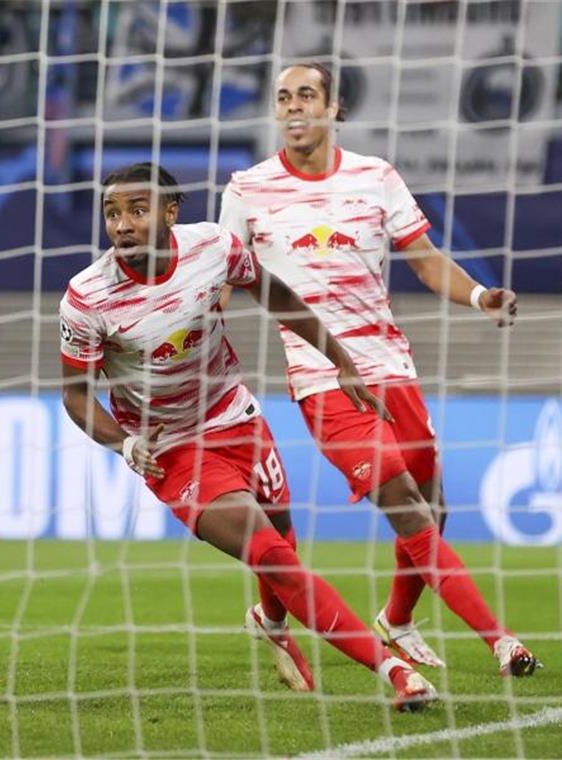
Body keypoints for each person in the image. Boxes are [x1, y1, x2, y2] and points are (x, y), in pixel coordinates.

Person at [59, 162, 437, 711]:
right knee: (273, 554)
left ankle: (270, 621)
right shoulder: (88, 297)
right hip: (171, 448)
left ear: (170, 213)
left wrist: (341, 361)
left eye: (137, 211)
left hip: (237, 417)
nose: (122, 225)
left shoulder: (214, 246)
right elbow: (74, 394)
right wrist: (125, 442)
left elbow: (276, 294)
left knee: (282, 537)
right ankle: (395, 671)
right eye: (112, 213)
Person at [217, 63, 539, 677]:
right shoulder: (247, 190)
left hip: (393, 369)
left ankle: (396, 619)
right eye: (283, 98)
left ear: (334, 108)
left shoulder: (375, 177)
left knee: (433, 504)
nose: (293, 109)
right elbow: (223, 282)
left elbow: (424, 260)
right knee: (403, 499)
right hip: (323, 378)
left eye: (306, 95)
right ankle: (501, 641)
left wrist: (479, 297)